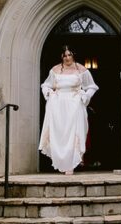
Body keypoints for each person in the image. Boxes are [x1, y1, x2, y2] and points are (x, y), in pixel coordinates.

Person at [39, 46, 99, 175]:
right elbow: (46, 85)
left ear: (73, 55)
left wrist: (86, 95)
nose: (67, 58)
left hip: (74, 104)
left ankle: (71, 164)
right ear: (61, 56)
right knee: (60, 133)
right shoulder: (55, 70)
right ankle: (61, 161)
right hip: (58, 104)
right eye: (64, 55)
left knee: (73, 133)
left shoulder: (81, 69)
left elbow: (92, 86)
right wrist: (48, 92)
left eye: (69, 55)